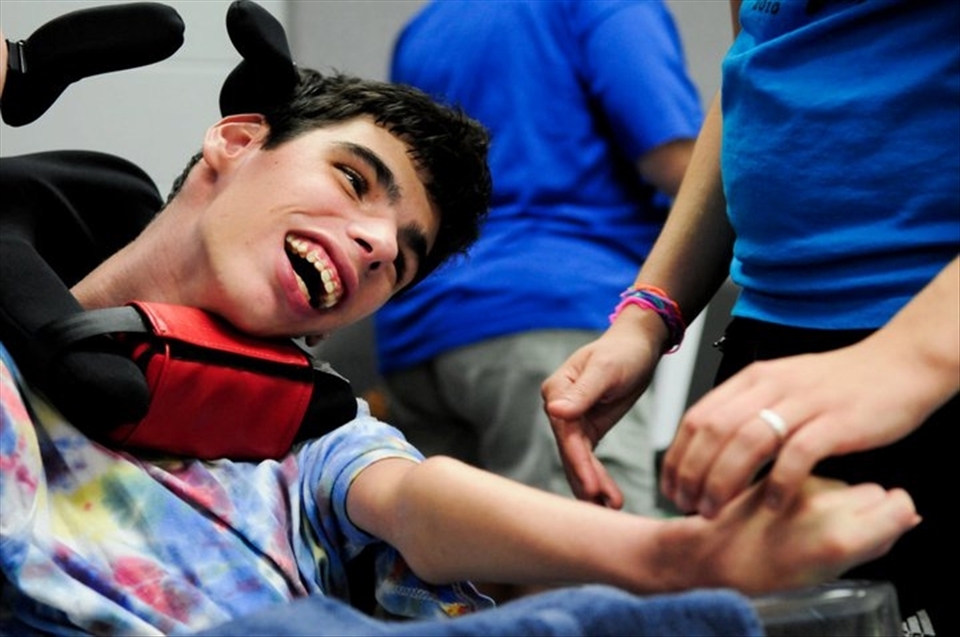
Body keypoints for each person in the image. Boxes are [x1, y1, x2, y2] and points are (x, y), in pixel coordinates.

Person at [0, 25, 921, 637]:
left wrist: (674, 556)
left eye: (400, 259)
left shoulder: (306, 427)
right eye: (353, 179)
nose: (373, 246)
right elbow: (670, 149)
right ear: (237, 141)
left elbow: (413, 500)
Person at [542, 0, 959, 632]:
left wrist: (911, 357)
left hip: (927, 350)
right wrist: (648, 313)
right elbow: (755, 63)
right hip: (769, 351)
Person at [374, 0, 703, 519]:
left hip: (419, 330)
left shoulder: (425, 28)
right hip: (550, 318)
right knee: (591, 556)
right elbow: (677, 161)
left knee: (456, 563)